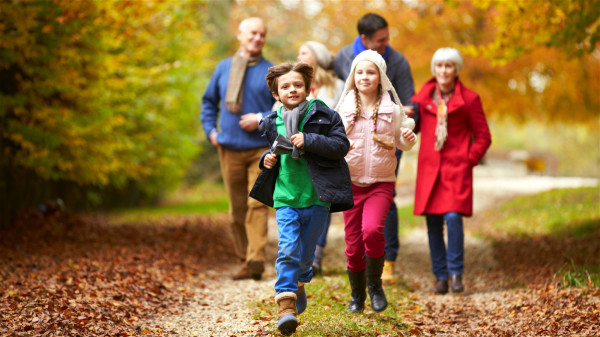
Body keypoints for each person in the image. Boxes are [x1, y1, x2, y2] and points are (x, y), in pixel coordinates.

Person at [249, 62, 353, 335]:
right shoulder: (272, 121)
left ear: (308, 88)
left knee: (305, 256)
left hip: (317, 198)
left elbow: (341, 146)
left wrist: (309, 140)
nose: (292, 89)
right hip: (285, 197)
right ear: (276, 94)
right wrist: (266, 159)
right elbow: (270, 151)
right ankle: (285, 303)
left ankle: (299, 284)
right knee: (288, 250)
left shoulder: (325, 115)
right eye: (285, 86)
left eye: (297, 85)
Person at [334, 12, 418, 283]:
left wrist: (406, 118)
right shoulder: (344, 58)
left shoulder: (397, 61)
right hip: (352, 170)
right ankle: (357, 287)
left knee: (378, 217)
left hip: (385, 143)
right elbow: (335, 91)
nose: (387, 43)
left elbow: (408, 100)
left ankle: (388, 261)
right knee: (353, 234)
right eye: (381, 40)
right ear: (364, 39)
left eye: (387, 38)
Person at [411, 47, 492, 294]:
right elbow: (410, 131)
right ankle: (441, 278)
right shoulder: (420, 100)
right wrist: (404, 121)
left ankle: (456, 273)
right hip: (429, 171)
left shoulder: (469, 100)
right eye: (439, 66)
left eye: (449, 66)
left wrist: (468, 159)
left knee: (453, 218)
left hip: (457, 169)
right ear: (434, 69)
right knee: (433, 223)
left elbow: (483, 137)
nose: (444, 70)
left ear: (456, 70)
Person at [201, 17, 276, 281]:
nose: (258, 38)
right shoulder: (223, 68)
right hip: (229, 148)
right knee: (236, 210)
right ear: (240, 34)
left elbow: (282, 109)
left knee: (257, 203)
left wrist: (259, 117)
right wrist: (210, 130)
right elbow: (209, 101)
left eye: (262, 34)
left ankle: (256, 258)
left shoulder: (271, 71)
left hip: (260, 149)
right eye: (253, 33)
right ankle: (245, 259)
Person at [295, 41, 345, 275]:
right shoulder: (294, 85)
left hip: (325, 153)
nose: (299, 56)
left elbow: (342, 121)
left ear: (318, 56)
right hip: (299, 156)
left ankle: (317, 254)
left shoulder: (337, 87)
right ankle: (302, 253)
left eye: (304, 52)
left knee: (322, 201)